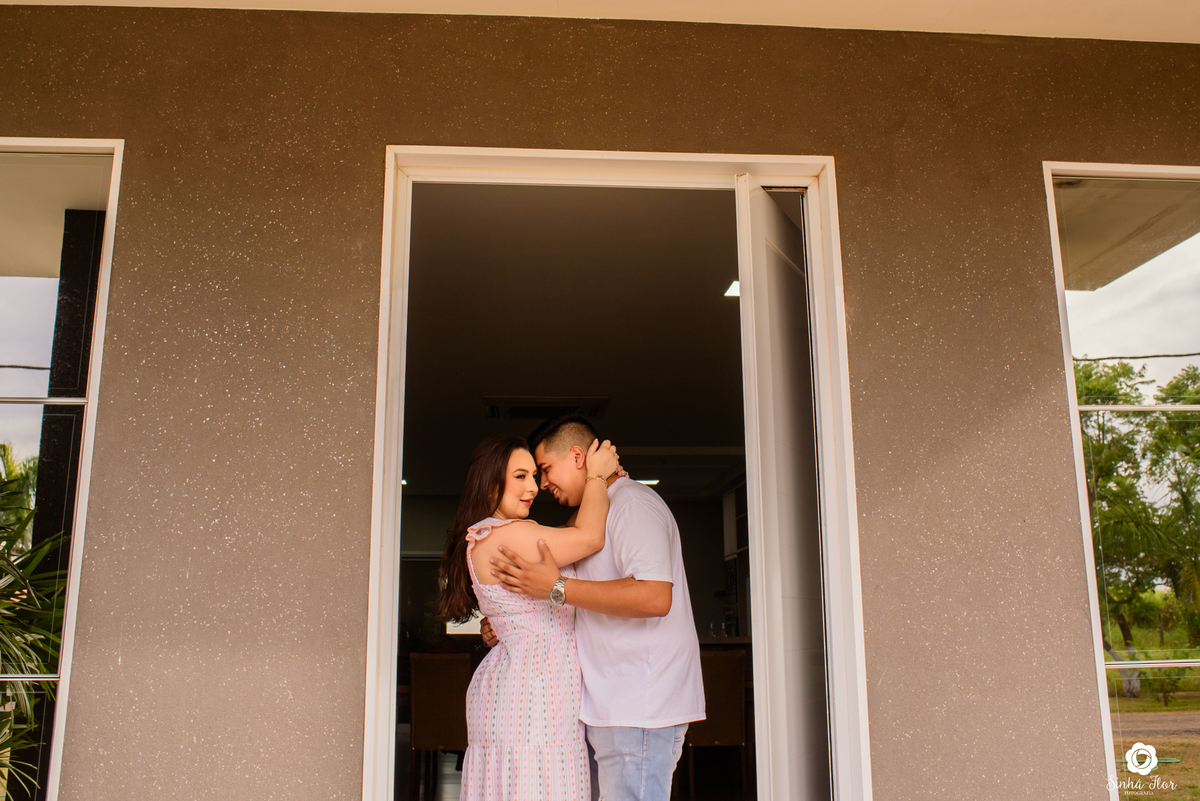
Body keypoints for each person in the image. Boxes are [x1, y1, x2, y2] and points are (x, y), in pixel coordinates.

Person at [488, 414, 705, 801]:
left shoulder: (633, 504)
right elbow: (579, 589)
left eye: (545, 469)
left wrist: (556, 587)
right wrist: (511, 622)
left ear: (577, 456)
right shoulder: (597, 512)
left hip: (639, 706)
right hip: (608, 704)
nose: (542, 484)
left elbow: (654, 596)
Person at [437, 434, 619, 801]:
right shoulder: (509, 534)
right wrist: (598, 476)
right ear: (491, 483)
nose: (534, 487)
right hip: (532, 691)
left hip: (526, 684)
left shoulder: (486, 535)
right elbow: (589, 537)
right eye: (520, 476)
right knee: (537, 785)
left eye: (534, 476)